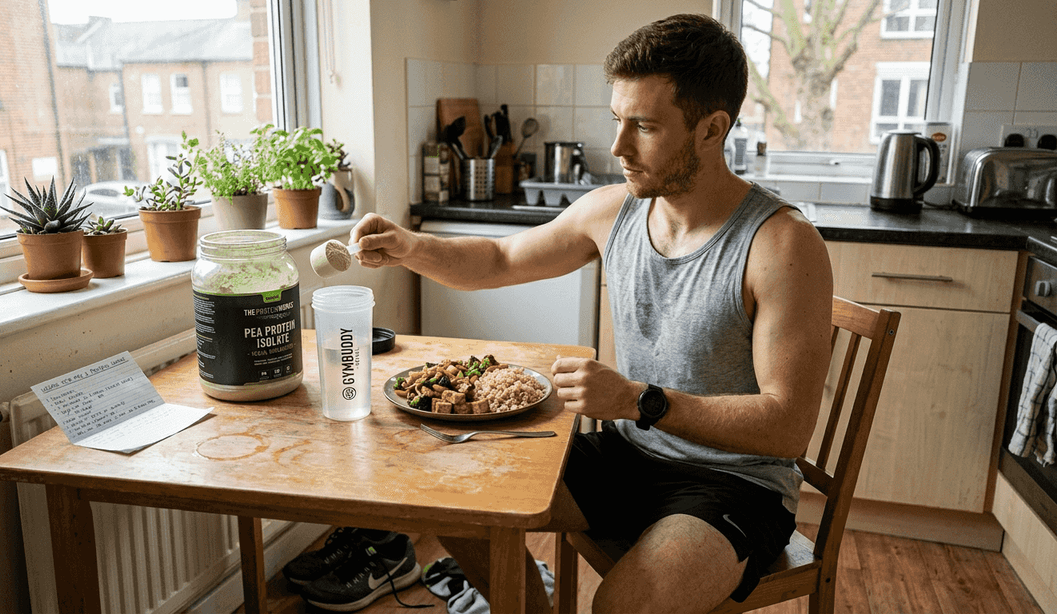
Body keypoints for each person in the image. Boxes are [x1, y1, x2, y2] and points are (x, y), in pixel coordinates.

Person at [350, 13, 833, 614]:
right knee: (452, 495)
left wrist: (639, 401)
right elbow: (500, 259)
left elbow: (787, 425)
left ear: (712, 129)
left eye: (645, 127)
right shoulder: (613, 211)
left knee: (616, 607)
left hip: (735, 484)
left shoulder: (782, 244)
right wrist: (412, 248)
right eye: (617, 121)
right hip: (629, 455)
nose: (618, 147)